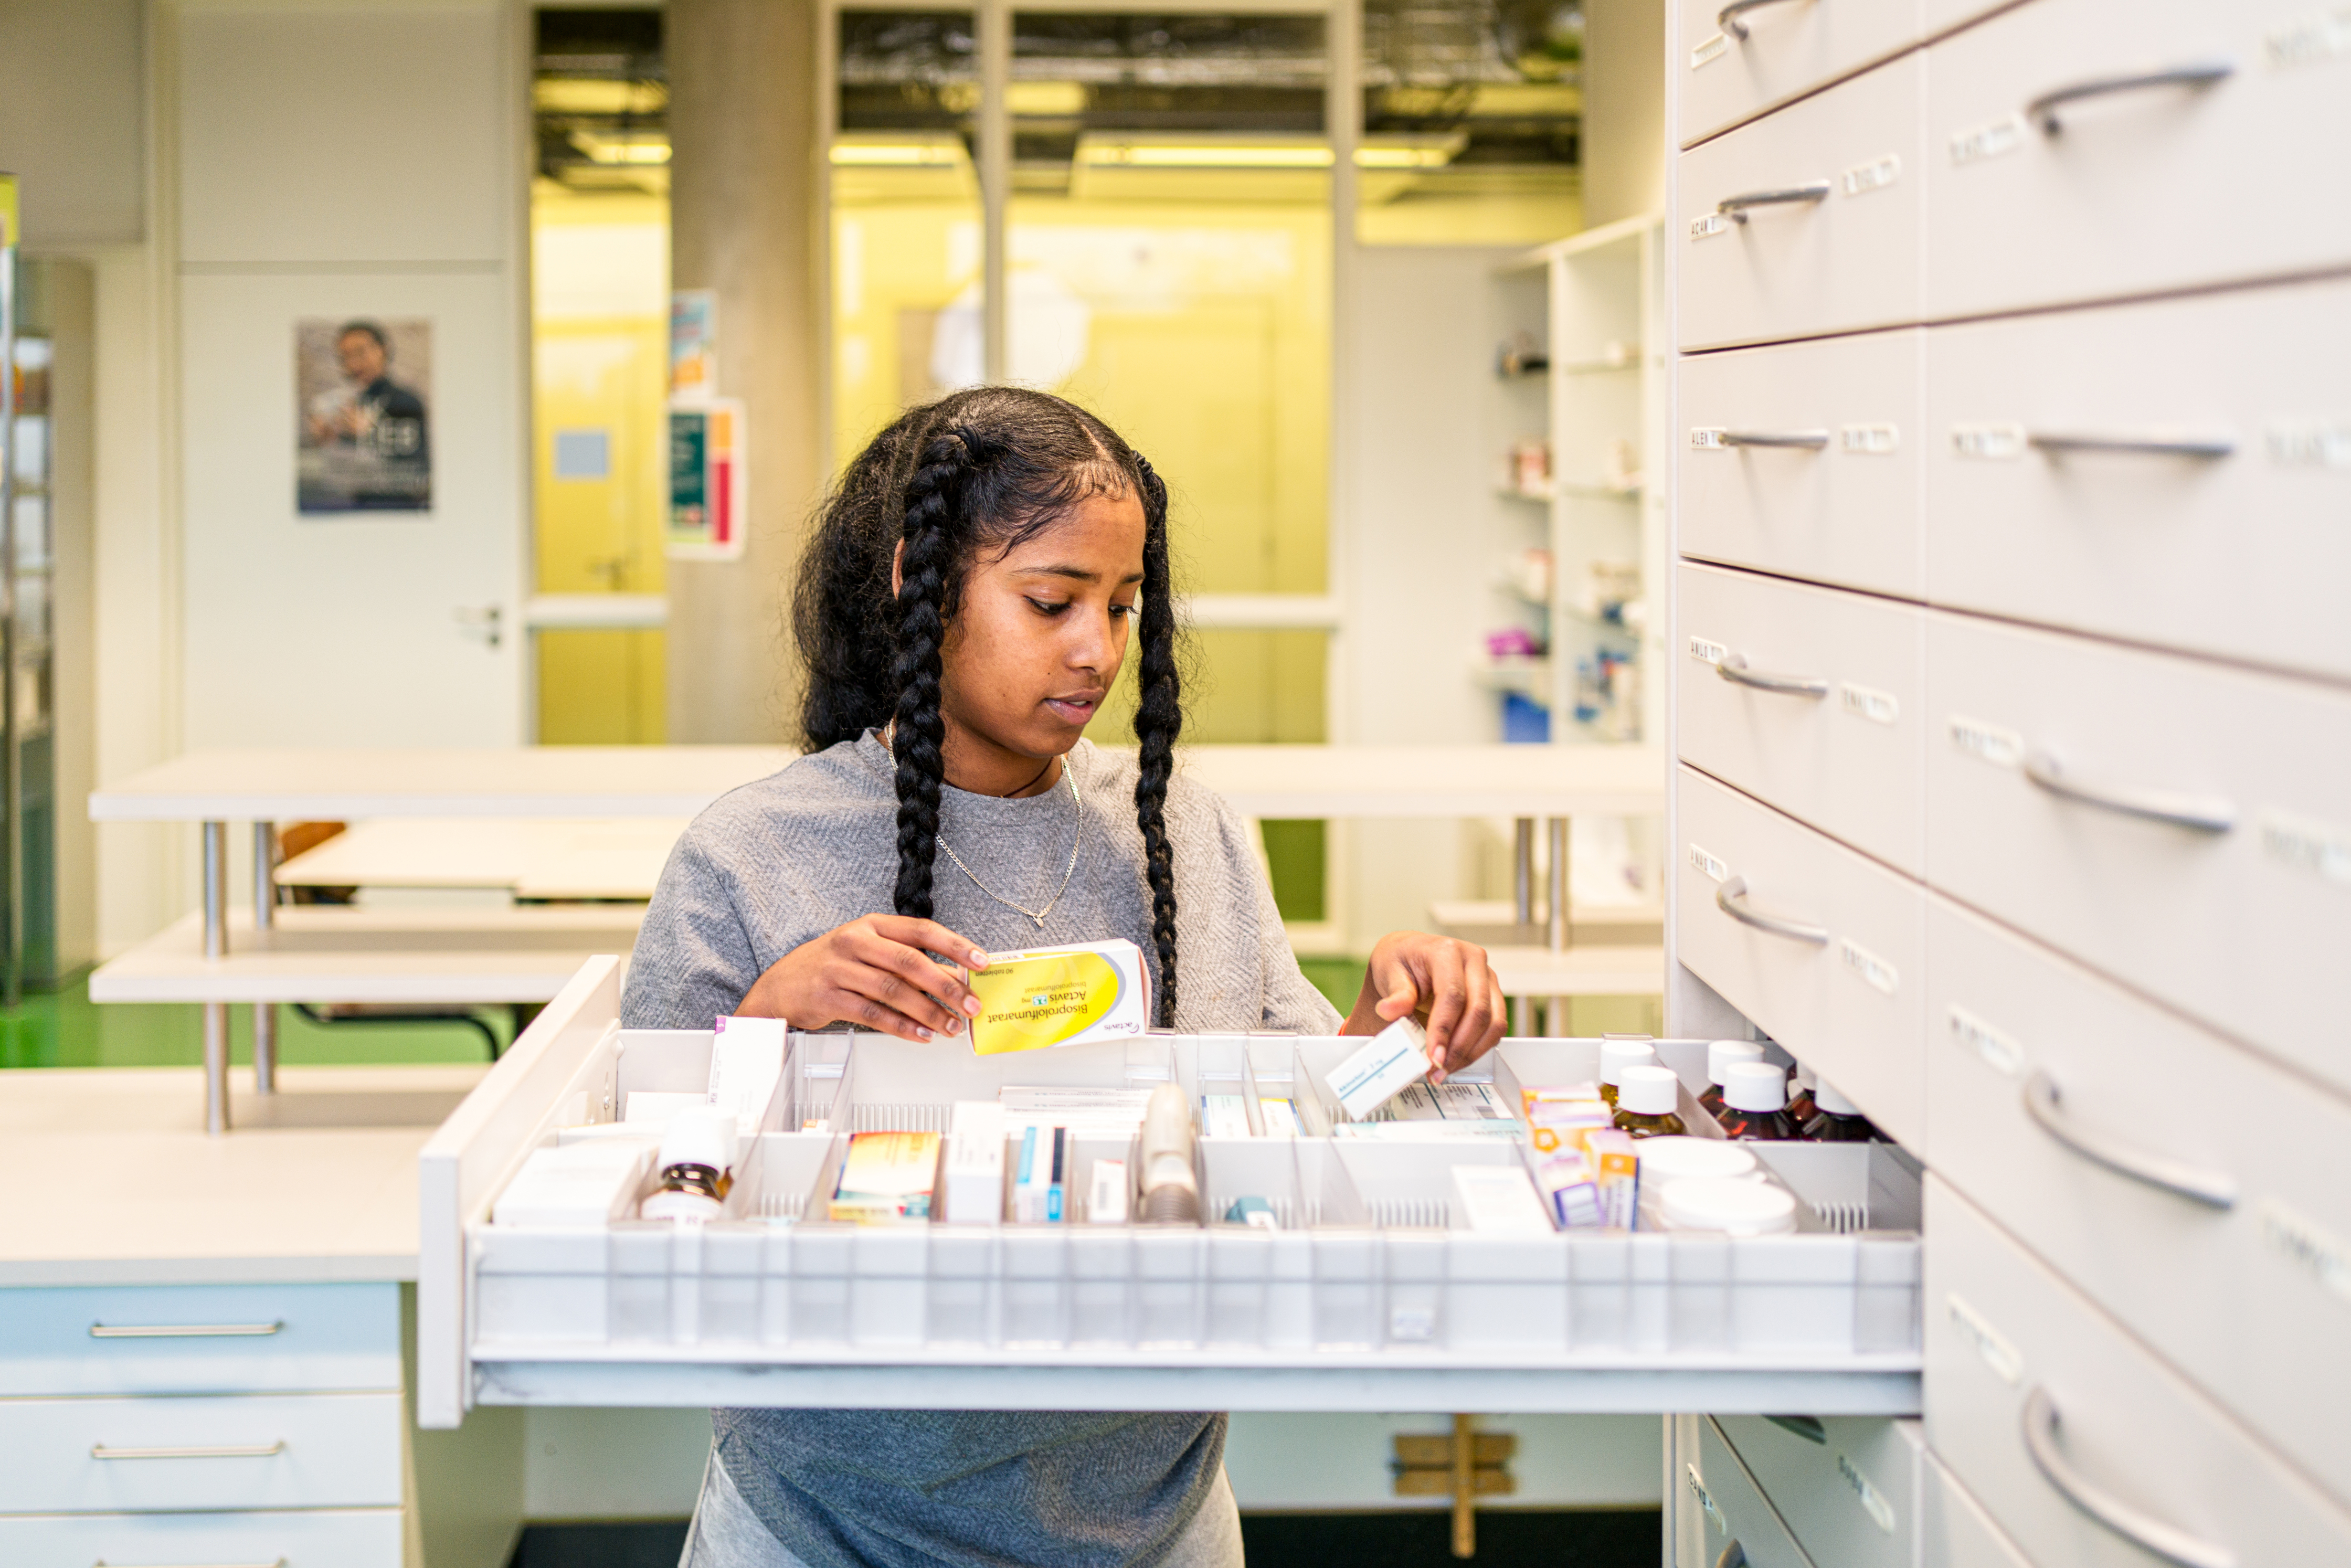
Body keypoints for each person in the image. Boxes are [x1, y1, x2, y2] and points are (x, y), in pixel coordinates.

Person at [623, 385, 1507, 1568]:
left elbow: (1315, 1106)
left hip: (1154, 1520)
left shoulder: (1190, 836)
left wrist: (1397, 1016)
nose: (1098, 649)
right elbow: (635, 1197)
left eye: (1122, 605)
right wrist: (766, 1020)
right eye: (1051, 601)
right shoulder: (751, 854)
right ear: (916, 582)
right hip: (827, 1528)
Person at [302, 320, 429, 506]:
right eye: (345, 357)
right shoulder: (351, 403)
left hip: (397, 509)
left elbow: (417, 472)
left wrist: (369, 434)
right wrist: (327, 440)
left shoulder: (406, 402)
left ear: (382, 350)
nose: (353, 364)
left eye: (361, 353)